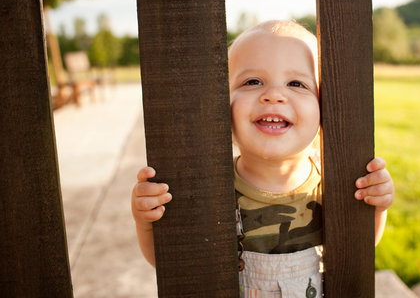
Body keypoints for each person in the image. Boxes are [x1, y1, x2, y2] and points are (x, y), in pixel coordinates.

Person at [131, 20, 395, 297]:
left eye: (297, 83)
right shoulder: (206, 189)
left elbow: (360, 249)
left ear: (324, 104)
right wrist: (146, 222)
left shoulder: (333, 184)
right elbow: (170, 262)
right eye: (252, 81)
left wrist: (376, 208)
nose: (273, 95)